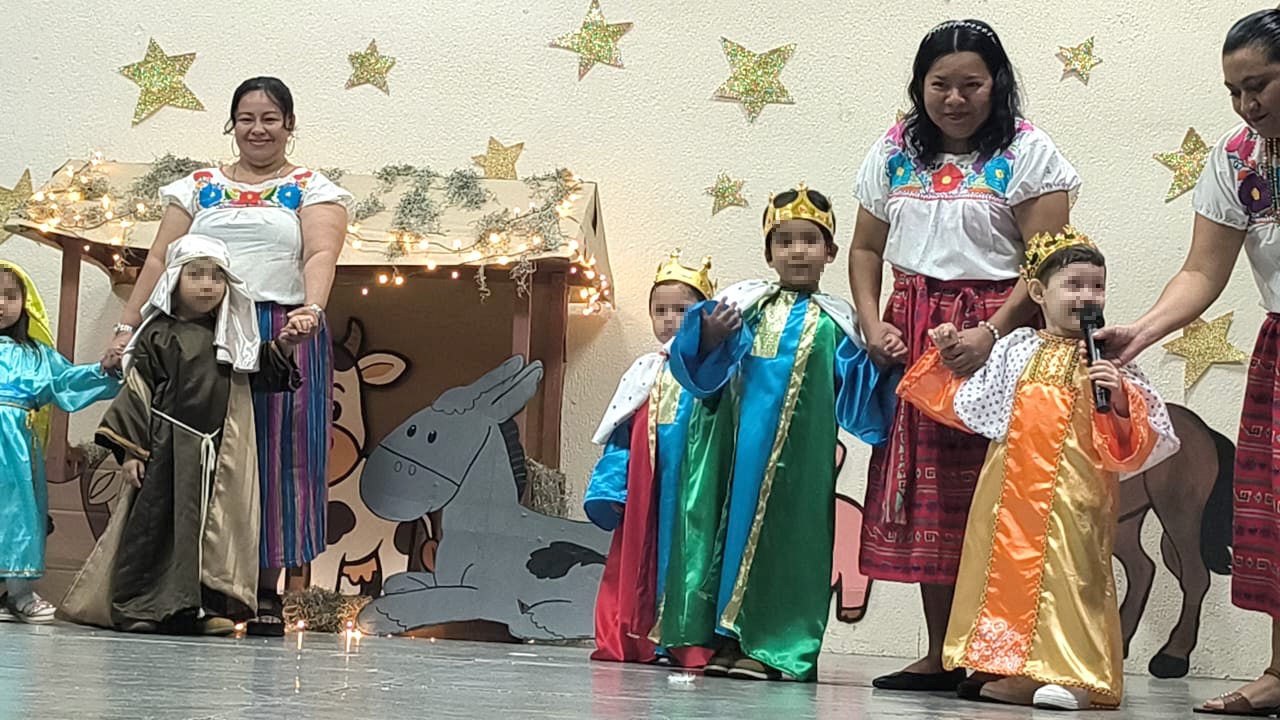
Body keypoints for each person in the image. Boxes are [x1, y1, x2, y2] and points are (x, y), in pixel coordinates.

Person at [849, 18, 1080, 690]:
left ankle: (997, 655)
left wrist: (993, 333)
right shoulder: (895, 150)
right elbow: (865, 248)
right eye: (940, 85)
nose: (954, 99)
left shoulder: (1029, 151)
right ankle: (943, 653)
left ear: (997, 84)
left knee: (998, 494)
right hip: (919, 337)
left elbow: (1048, 260)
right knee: (930, 497)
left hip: (1000, 334)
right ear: (919, 87)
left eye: (971, 85)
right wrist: (872, 321)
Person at [103, 76, 351, 635]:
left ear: (289, 125)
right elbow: (160, 260)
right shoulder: (197, 187)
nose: (258, 129)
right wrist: (127, 327)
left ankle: (264, 590)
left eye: (270, 118)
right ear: (232, 124)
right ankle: (193, 587)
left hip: (279, 329)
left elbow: (320, 253)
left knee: (279, 455)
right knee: (197, 453)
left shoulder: (312, 188)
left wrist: (311, 310)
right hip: (198, 336)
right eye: (246, 118)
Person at [898, 228, 1179, 710]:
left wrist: (1119, 396)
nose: (1087, 296)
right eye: (1074, 285)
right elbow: (971, 397)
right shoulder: (1017, 347)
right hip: (1010, 492)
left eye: (1097, 286)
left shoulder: (1108, 357)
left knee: (1072, 575)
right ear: (1038, 292)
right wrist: (947, 351)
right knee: (1007, 575)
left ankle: (1075, 674)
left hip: (1076, 493)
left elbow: (1143, 430)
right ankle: (1018, 667)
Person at [1095, 10, 1280, 715]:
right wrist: (1143, 330)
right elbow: (1203, 270)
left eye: (1259, 85)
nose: (1246, 105)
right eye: (1234, 91)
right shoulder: (1237, 159)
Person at [654, 184, 898, 682]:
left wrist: (881, 361)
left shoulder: (838, 324)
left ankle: (773, 648)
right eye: (784, 241)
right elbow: (697, 371)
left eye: (809, 240)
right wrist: (710, 336)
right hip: (736, 459)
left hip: (798, 467)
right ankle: (725, 640)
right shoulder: (744, 307)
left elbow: (859, 399)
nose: (797, 251)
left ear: (830, 252)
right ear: (768, 253)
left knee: (789, 545)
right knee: (726, 537)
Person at [61, 235, 303, 635]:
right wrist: (132, 452)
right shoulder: (158, 335)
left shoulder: (232, 336)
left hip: (217, 455)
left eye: (216, 277)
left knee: (211, 534)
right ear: (174, 280)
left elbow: (260, 372)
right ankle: (139, 607)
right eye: (196, 275)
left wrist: (286, 345)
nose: (207, 285)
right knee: (153, 529)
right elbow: (137, 392)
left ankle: (199, 611)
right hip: (166, 451)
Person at [586, 251, 716, 668]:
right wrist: (611, 487)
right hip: (648, 488)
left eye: (682, 309)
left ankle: (684, 638)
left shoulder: (712, 372)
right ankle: (638, 634)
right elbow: (621, 432)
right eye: (661, 310)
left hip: (692, 487)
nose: (670, 319)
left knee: (689, 555)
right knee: (641, 555)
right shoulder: (645, 371)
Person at [0, 261, 120, 623]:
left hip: (16, 450)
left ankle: (19, 594)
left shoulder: (36, 356)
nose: (1, 303)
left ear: (25, 302)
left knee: (20, 513)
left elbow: (67, 381)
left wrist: (104, 369)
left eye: (10, 295)